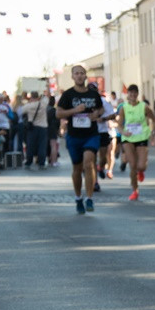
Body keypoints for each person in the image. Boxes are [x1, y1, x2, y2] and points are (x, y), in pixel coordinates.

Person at [54, 65, 104, 214]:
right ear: (73, 76)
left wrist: (96, 115)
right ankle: (78, 198)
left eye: (82, 73)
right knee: (77, 168)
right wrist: (74, 110)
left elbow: (101, 109)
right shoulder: (68, 95)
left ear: (86, 76)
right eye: (77, 73)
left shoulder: (93, 94)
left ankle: (89, 198)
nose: (80, 76)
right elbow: (58, 114)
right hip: (74, 136)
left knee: (88, 163)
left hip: (91, 134)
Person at [116, 84, 155, 201]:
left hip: (141, 137)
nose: (133, 95)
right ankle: (135, 190)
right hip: (128, 138)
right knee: (132, 165)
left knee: (141, 166)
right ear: (127, 94)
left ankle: (141, 171)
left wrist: (153, 132)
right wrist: (123, 132)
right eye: (130, 93)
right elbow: (119, 125)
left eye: (135, 93)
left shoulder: (144, 107)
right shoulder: (123, 107)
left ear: (137, 94)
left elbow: (153, 119)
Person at [21, 91, 49, 170]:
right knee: (42, 146)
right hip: (43, 127)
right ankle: (41, 163)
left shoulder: (28, 106)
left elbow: (21, 111)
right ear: (38, 97)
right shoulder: (43, 104)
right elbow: (46, 97)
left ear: (31, 97)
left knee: (30, 145)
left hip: (32, 127)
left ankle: (29, 162)